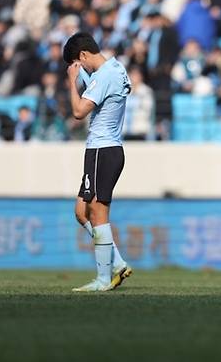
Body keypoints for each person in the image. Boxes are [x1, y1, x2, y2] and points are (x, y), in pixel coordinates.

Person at [63, 32, 132, 292]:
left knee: (98, 213)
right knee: (82, 212)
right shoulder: (116, 69)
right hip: (107, 149)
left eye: (78, 63)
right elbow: (97, 85)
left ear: (82, 55)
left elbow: (79, 111)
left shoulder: (104, 76)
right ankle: (118, 262)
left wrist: (72, 81)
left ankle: (104, 279)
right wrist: (82, 75)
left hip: (102, 149)